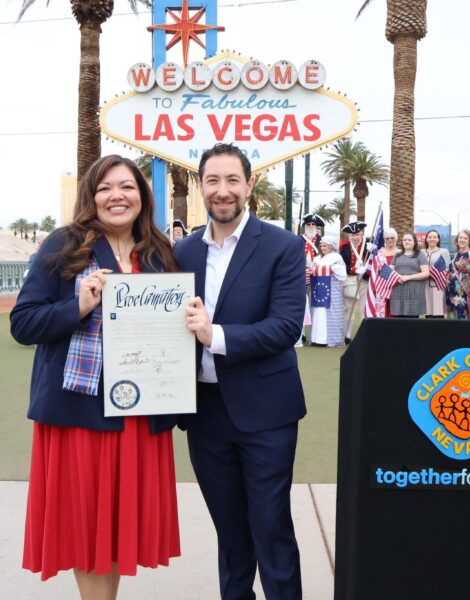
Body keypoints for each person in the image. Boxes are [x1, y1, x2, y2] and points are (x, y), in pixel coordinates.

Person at [10, 155, 180, 599]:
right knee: (87, 527)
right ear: (91, 196)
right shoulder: (64, 244)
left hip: (139, 411)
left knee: (115, 528)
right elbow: (24, 324)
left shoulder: (159, 253)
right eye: (105, 188)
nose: (116, 196)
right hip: (80, 413)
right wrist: (78, 306)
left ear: (142, 197)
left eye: (126, 187)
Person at [174, 143, 306, 600]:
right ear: (201, 188)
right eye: (213, 181)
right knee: (230, 534)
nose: (223, 190)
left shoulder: (283, 246)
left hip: (266, 414)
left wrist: (217, 337)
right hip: (205, 413)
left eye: (233, 180)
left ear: (249, 185)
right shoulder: (183, 251)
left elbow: (286, 326)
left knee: (270, 527)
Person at [310, 236, 347, 347]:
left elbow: (341, 273)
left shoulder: (336, 257)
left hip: (332, 290)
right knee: (318, 313)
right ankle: (317, 339)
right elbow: (311, 270)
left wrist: (329, 268)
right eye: (321, 246)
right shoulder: (317, 259)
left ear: (331, 246)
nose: (322, 248)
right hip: (318, 290)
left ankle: (331, 340)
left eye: (325, 246)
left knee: (331, 314)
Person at [339, 221, 370, 343]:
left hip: (365, 279)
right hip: (350, 279)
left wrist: (367, 269)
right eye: (352, 235)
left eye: (357, 234)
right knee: (349, 308)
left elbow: (375, 261)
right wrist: (354, 269)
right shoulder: (344, 246)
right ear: (349, 236)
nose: (355, 237)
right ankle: (347, 335)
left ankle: (364, 335)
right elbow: (342, 264)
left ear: (362, 233)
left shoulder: (369, 244)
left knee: (363, 308)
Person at [299, 213, 325, 346]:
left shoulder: (321, 241)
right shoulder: (299, 239)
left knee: (315, 305)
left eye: (313, 225)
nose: (310, 227)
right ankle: (302, 333)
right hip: (301, 276)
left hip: (317, 276)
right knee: (302, 305)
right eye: (308, 224)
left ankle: (313, 335)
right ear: (304, 226)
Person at [390, 231, 429, 317]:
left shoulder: (420, 255)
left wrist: (408, 277)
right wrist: (397, 278)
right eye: (404, 240)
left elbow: (426, 273)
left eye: (409, 240)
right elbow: (390, 271)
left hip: (414, 293)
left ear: (414, 242)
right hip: (398, 292)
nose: (406, 241)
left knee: (412, 322)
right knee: (398, 323)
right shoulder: (397, 255)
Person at [446, 229, 470, 319]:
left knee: (464, 316)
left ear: (469, 241)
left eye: (465, 238)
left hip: (465, 291)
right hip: (452, 292)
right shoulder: (455, 255)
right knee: (453, 316)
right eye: (460, 237)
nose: (462, 240)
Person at [371, 227, 400, 318]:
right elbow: (374, 271)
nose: (390, 240)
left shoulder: (401, 253)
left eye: (392, 237)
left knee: (395, 313)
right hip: (382, 287)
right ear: (384, 240)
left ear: (396, 238)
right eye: (387, 238)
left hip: (397, 287)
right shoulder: (379, 253)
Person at [423, 229, 451, 318]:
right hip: (424, 285)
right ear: (426, 239)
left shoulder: (444, 251)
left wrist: (438, 274)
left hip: (438, 285)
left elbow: (448, 267)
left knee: (438, 313)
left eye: (434, 237)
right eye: (430, 237)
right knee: (428, 313)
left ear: (438, 239)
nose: (432, 239)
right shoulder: (421, 252)